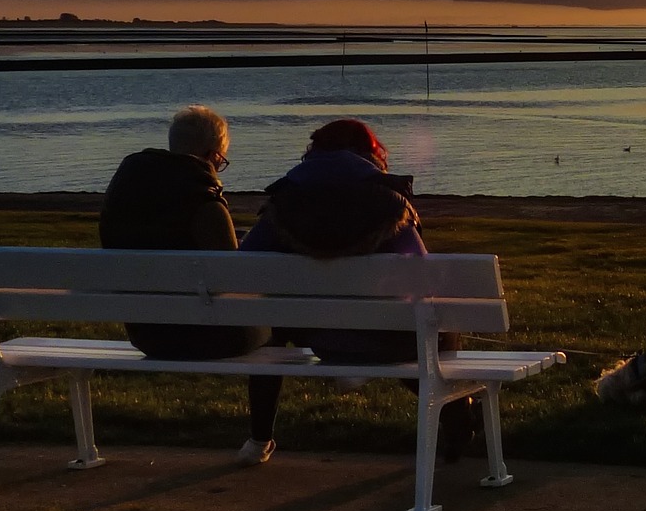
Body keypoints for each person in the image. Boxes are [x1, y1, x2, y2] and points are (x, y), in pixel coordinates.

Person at [237, 119, 475, 466]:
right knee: (428, 329)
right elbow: (421, 276)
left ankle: (259, 439)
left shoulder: (283, 202)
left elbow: (244, 266)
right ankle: (458, 415)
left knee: (275, 330)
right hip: (385, 337)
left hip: (316, 336)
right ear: (370, 153)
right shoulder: (389, 202)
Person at [99, 104, 271, 360]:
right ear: (212, 155)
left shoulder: (125, 193)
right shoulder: (205, 203)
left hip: (146, 334)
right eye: (221, 161)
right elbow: (231, 280)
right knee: (276, 317)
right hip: (210, 336)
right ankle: (265, 402)